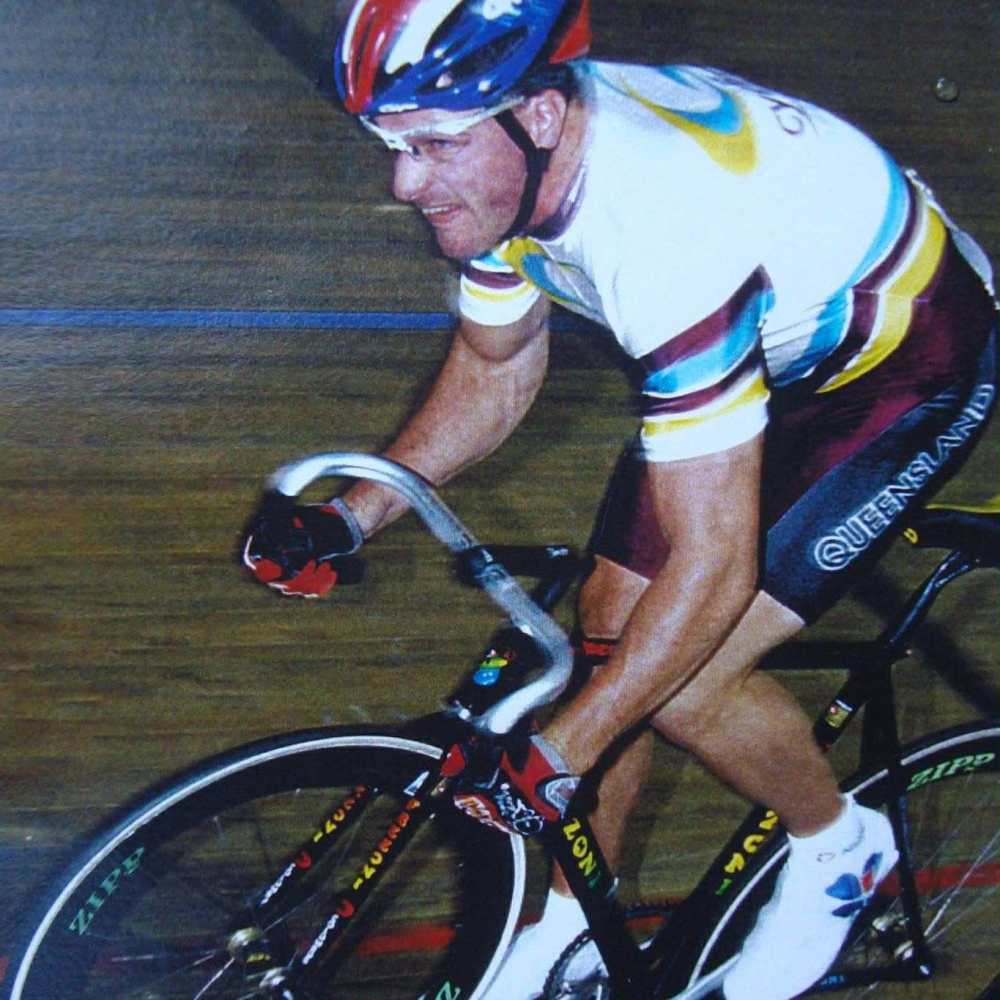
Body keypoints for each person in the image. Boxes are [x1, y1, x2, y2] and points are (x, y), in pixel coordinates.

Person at [242, 1, 998, 997]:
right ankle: (568, 924)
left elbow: (714, 570)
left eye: (430, 146)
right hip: (763, 342)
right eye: (392, 145)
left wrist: (563, 752)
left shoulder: (663, 231)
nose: (404, 180)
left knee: (678, 675)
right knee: (611, 632)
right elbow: (495, 365)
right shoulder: (505, 167)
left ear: (541, 118)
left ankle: (838, 849)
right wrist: (355, 513)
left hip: (907, 367)